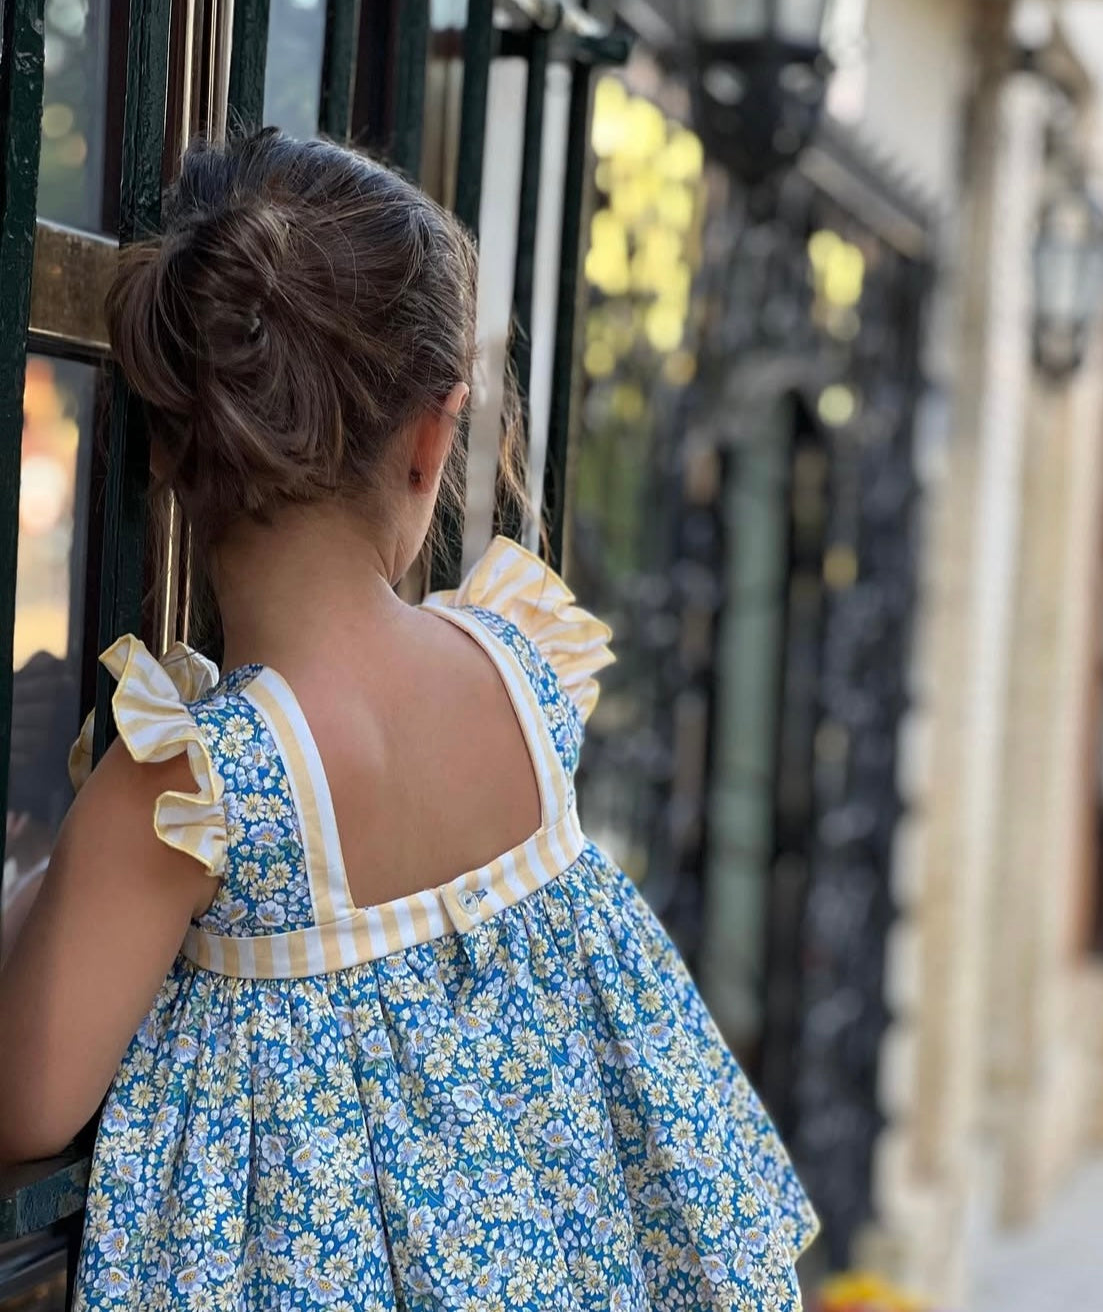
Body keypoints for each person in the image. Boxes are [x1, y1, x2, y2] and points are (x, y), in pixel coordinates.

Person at [0, 130, 816, 1311]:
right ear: (436, 433)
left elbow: (29, 1096)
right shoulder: (521, 674)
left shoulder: (190, 787)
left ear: (169, 444)